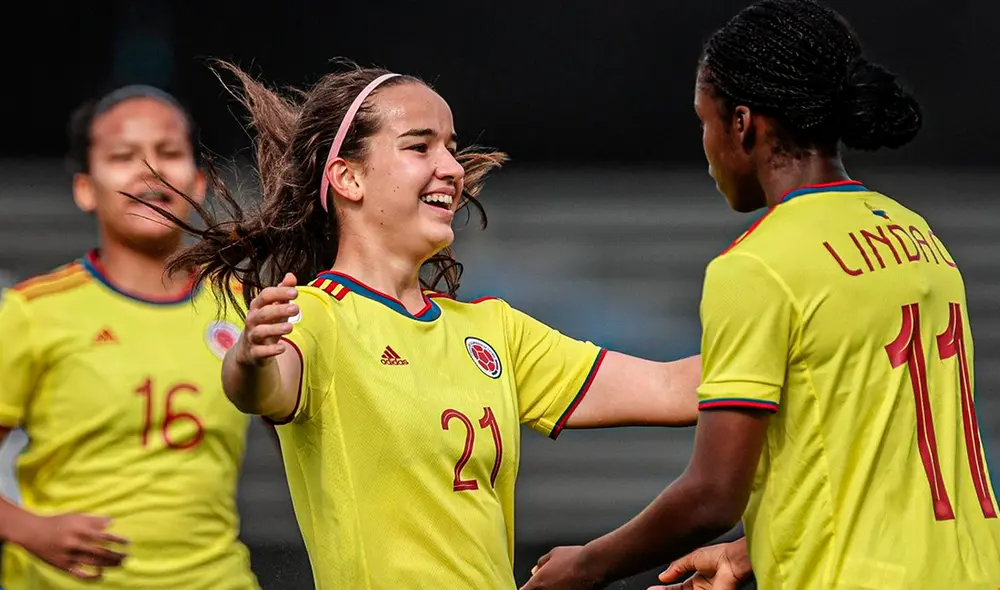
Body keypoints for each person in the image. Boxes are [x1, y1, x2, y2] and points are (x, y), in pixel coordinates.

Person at [139, 60, 704, 590]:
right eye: (420, 146)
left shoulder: (494, 329)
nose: (453, 169)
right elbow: (262, 388)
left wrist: (788, 340)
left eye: (453, 150)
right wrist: (249, 356)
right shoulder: (317, 315)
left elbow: (673, 388)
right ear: (348, 179)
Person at [522, 1, 1000, 589]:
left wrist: (586, 565)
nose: (705, 149)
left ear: (743, 124)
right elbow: (879, 451)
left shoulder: (758, 265)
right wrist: (751, 550)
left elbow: (713, 495)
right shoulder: (917, 236)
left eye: (705, 122)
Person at [0, 86, 261, 589]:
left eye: (169, 153)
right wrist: (29, 529)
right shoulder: (34, 312)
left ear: (199, 181)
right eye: (122, 156)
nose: (151, 171)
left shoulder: (244, 307)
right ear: (84, 188)